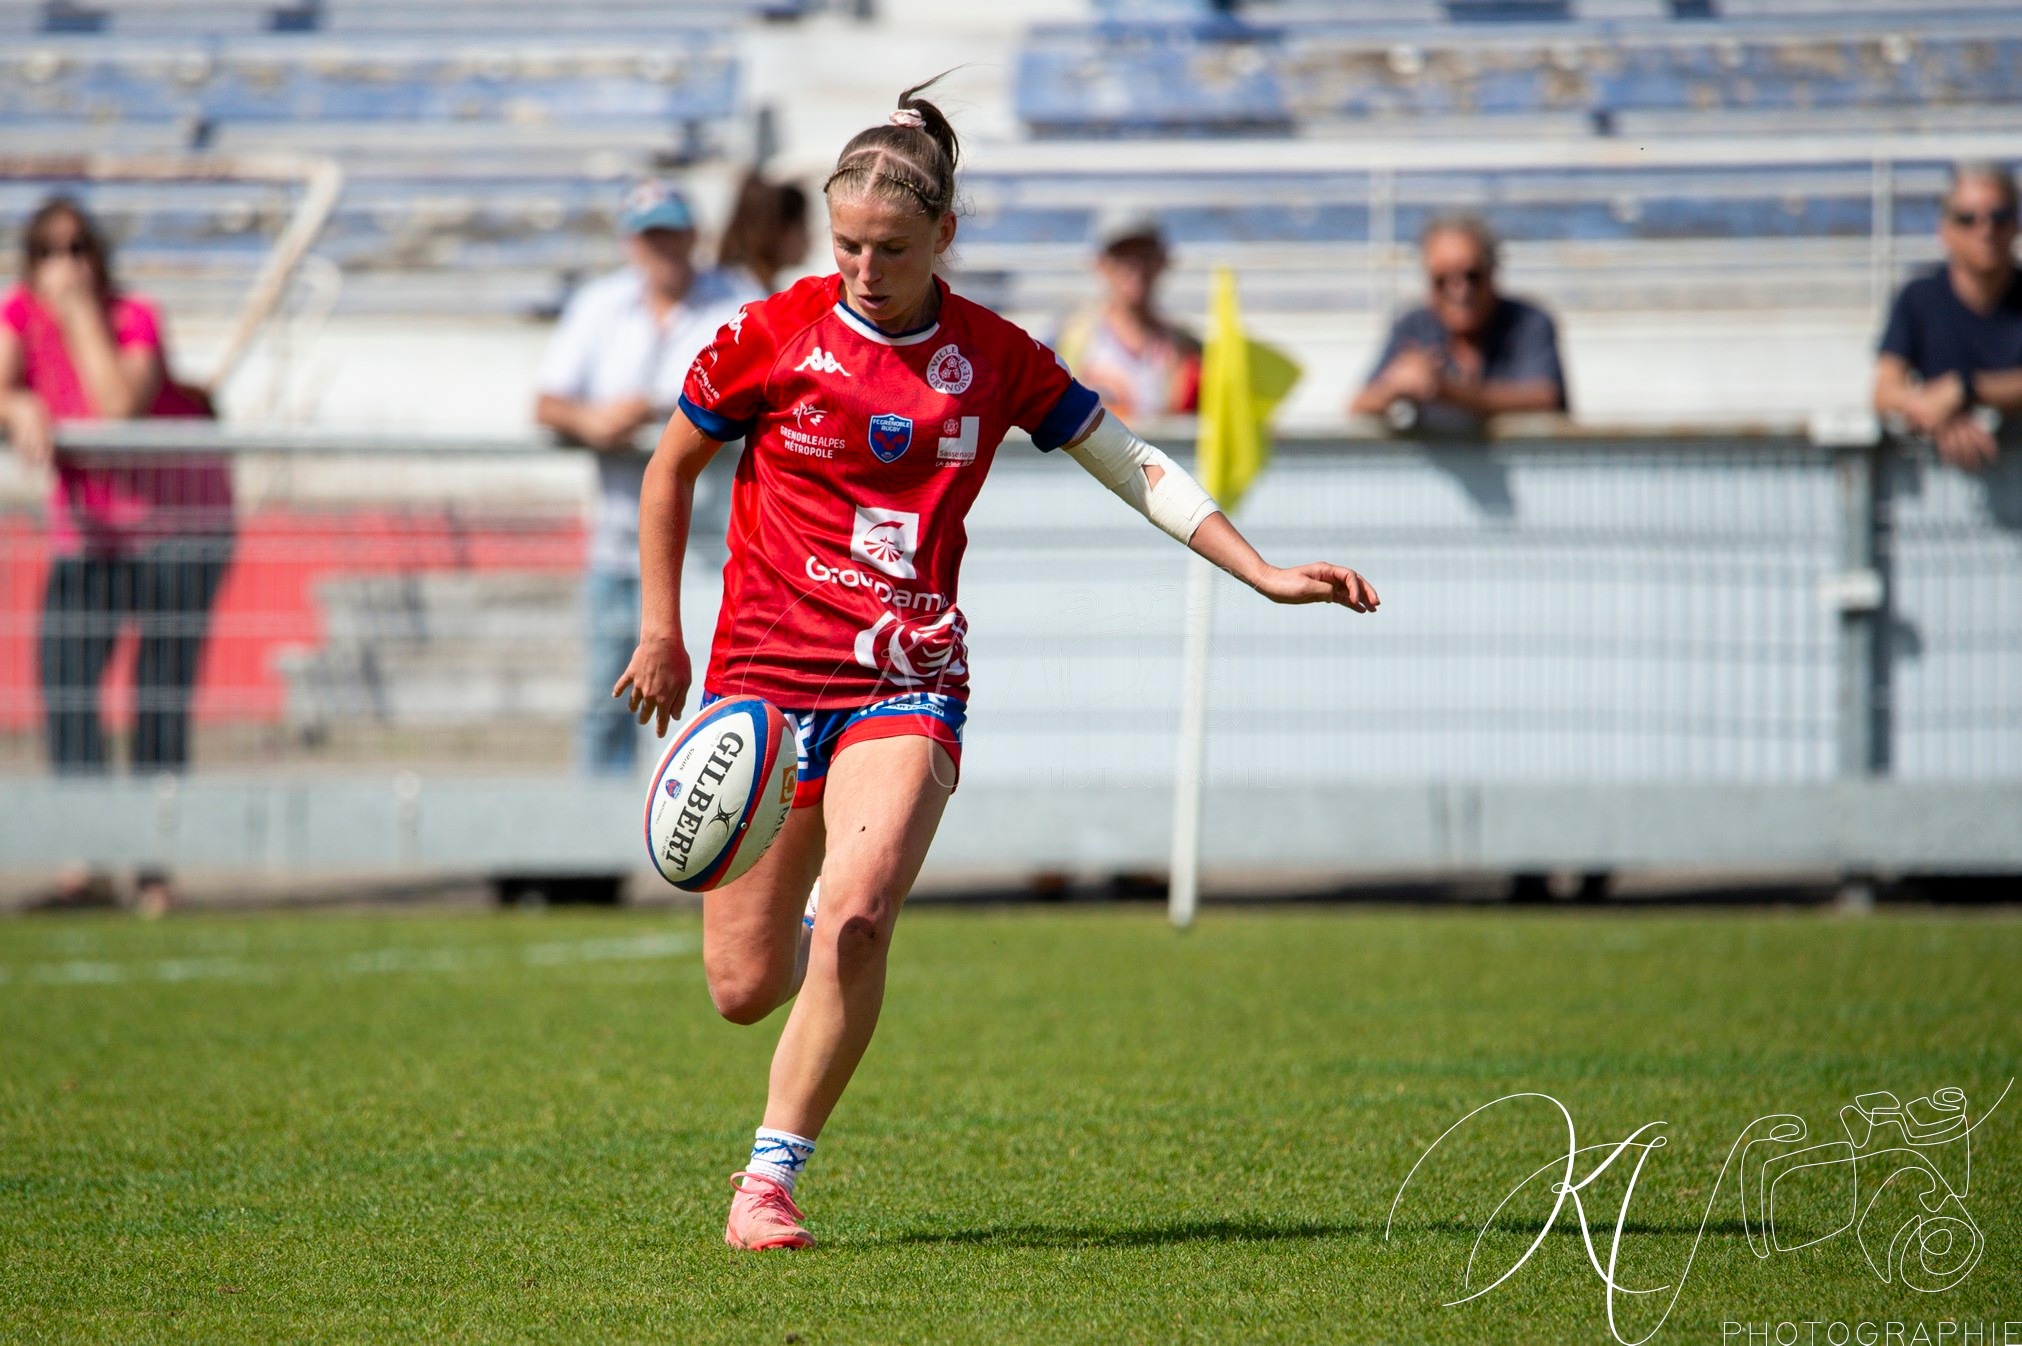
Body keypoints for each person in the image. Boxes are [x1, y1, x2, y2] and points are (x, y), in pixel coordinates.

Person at [612, 77, 1381, 1252]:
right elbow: (669, 471)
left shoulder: (996, 354)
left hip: (904, 680)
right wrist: (660, 630)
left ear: (945, 237)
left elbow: (1131, 459)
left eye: (895, 246)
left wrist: (1262, 568)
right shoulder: (770, 334)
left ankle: (768, 1177)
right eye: (850, 244)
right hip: (761, 689)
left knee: (862, 917)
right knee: (741, 986)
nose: (867, 268)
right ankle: (817, 897)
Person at [0, 197, 233, 781]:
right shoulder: (19, 316)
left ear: (99, 257)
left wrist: (80, 315)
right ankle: (88, 842)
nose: (65, 263)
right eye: (48, 251)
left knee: (159, 693)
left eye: (78, 248)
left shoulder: (135, 317)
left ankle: (152, 857)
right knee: (68, 681)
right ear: (29, 262)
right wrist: (16, 403)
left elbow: (118, 409)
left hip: (179, 528)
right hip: (92, 532)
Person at [535, 180, 759, 775]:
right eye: (650, 235)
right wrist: (595, 420)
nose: (662, 247)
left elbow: (767, 396)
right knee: (606, 701)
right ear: (631, 243)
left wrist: (662, 412)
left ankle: (700, 840)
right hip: (618, 542)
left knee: (718, 704)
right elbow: (549, 401)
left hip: (712, 551)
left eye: (671, 233)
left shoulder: (739, 299)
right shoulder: (598, 304)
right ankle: (599, 851)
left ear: (694, 237)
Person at [1351, 214, 1568, 433]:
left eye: (1472, 276)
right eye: (1442, 280)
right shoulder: (1412, 326)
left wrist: (1444, 390)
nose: (1460, 290)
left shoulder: (1529, 322)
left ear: (1493, 271)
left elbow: (1544, 398)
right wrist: (1396, 389)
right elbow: (1358, 403)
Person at [1873, 161, 2022, 472]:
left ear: (2016, 224)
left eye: (1999, 216)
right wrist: (1930, 408)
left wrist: (1966, 390)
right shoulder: (1920, 298)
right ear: (1945, 230)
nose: (1986, 230)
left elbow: (1958, 392)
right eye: (1968, 219)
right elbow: (1884, 392)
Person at [1052, 217, 1202, 423]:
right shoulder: (1069, 341)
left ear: (1161, 261)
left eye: (1144, 254)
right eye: (1122, 255)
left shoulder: (1188, 348)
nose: (1135, 266)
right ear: (1101, 264)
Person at [716, 171, 812, 295]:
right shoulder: (741, 296)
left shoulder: (751, 287)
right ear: (780, 231)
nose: (808, 238)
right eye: (803, 226)